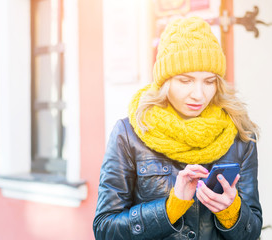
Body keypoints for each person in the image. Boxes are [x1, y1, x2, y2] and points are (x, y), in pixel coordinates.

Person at [93, 17, 262, 240]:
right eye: (186, 80)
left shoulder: (239, 134)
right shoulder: (130, 133)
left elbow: (254, 230)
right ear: (165, 81)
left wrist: (231, 212)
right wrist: (170, 209)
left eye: (209, 81)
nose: (199, 94)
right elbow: (105, 229)